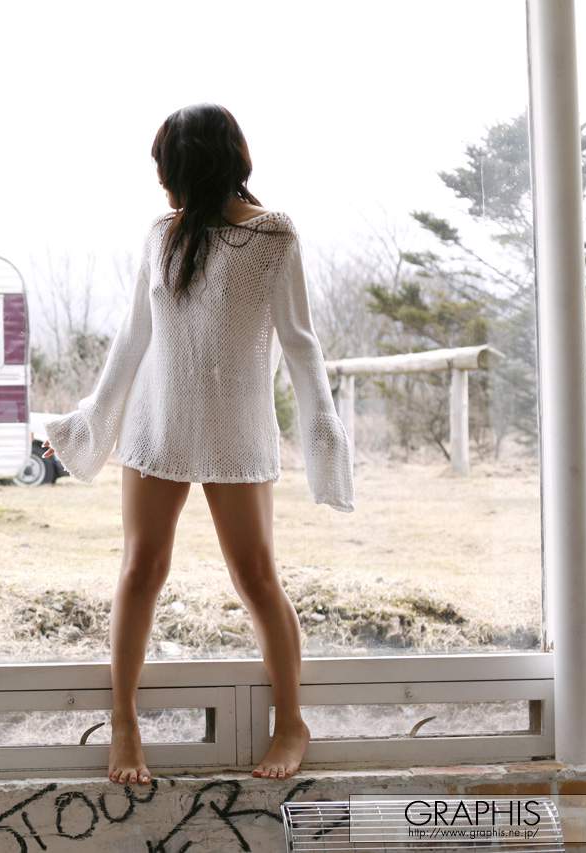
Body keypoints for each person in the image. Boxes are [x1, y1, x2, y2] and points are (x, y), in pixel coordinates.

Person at [41, 103, 355, 784]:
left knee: (256, 578)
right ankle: (124, 723)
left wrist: (324, 433)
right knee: (140, 570)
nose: (161, 182)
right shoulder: (162, 235)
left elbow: (300, 345)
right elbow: (133, 336)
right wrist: (93, 417)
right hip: (158, 426)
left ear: (191, 168)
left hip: (237, 431)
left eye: (167, 168)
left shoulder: (273, 235)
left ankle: (291, 722)